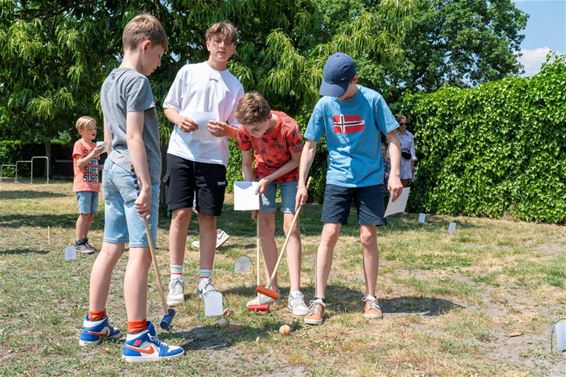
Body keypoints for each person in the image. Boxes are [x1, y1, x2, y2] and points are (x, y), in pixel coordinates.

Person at [79, 14, 184, 362]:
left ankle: (94, 323)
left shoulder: (109, 80)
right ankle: (137, 338)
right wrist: (147, 185)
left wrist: (116, 166)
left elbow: (110, 138)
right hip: (134, 174)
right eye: (158, 58)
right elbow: (135, 136)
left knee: (111, 247)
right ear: (145, 46)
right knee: (140, 252)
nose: (156, 66)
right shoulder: (137, 82)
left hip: (112, 170)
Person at [296, 52, 403, 325]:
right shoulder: (325, 104)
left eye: (340, 88)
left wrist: (395, 175)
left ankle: (371, 298)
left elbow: (392, 138)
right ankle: (318, 300)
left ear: (354, 79)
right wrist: (300, 183)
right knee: (329, 233)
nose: (335, 94)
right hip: (338, 178)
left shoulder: (373, 100)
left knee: (368, 236)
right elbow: (310, 145)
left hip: (369, 178)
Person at [162, 22, 244, 306]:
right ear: (208, 42)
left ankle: (205, 281)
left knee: (208, 218)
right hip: (181, 152)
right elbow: (169, 106)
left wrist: (228, 131)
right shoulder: (188, 71)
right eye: (217, 41)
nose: (222, 47)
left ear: (233, 50)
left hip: (213, 159)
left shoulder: (235, 85)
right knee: (180, 214)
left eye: (228, 43)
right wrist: (178, 119)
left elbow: (239, 128)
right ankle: (176, 278)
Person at [235, 92, 309, 316]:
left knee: (291, 228)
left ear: (267, 117)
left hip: (289, 175)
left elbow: (297, 161)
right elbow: (247, 163)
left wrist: (270, 178)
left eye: (256, 129)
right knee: (265, 229)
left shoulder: (288, 127)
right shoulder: (245, 129)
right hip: (262, 175)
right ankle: (270, 289)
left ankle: (296, 292)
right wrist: (250, 195)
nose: (252, 134)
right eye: (248, 130)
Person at [72, 116, 104, 254]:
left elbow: (95, 166)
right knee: (84, 214)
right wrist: (93, 153)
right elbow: (80, 163)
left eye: (94, 128)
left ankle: (84, 240)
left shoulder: (94, 146)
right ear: (81, 130)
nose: (93, 131)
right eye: (89, 129)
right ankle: (78, 242)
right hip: (83, 185)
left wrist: (107, 164)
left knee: (91, 215)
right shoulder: (79, 144)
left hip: (94, 185)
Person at [396, 115, 417, 187]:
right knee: (396, 184)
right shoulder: (394, 135)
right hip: (397, 161)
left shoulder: (410, 135)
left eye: (405, 124)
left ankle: (404, 198)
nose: (403, 126)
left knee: (405, 185)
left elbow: (412, 150)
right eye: (401, 124)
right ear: (398, 124)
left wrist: (412, 165)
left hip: (406, 161)